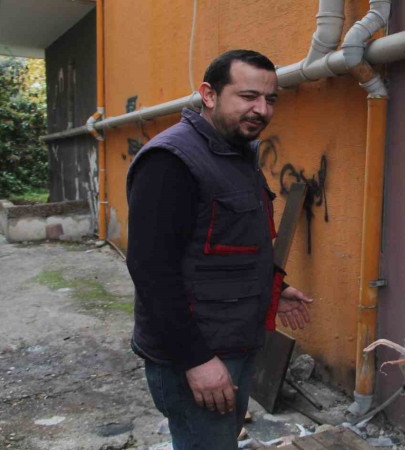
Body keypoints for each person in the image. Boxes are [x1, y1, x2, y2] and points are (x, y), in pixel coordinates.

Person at [126, 49, 313, 449]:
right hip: (199, 353)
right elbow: (152, 271)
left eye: (270, 99)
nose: (262, 109)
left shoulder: (235, 152)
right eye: (248, 96)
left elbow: (229, 242)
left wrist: (273, 289)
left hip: (234, 341)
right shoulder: (171, 160)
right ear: (209, 95)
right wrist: (195, 359)